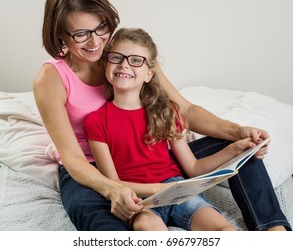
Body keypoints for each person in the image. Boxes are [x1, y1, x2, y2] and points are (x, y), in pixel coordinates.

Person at [33, 0, 291, 231]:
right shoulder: (52, 78)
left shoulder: (126, 55)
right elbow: (73, 158)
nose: (96, 41)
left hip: (144, 155)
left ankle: (273, 230)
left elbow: (186, 110)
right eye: (81, 34)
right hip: (90, 168)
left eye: (101, 27)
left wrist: (238, 132)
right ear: (60, 36)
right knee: (95, 214)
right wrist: (115, 189)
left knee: (238, 147)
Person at [85, 28, 245, 231]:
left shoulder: (165, 112)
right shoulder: (96, 121)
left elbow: (194, 168)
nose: (124, 64)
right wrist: (158, 190)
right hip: (140, 201)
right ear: (106, 64)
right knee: (149, 228)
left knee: (226, 231)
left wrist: (234, 150)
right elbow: (112, 183)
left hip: (176, 189)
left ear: (148, 74)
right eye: (117, 57)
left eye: (136, 60)